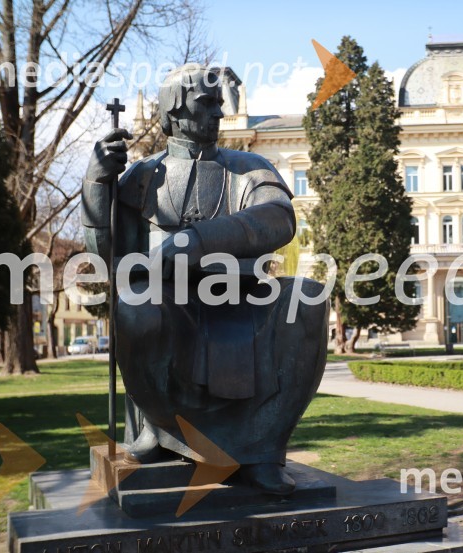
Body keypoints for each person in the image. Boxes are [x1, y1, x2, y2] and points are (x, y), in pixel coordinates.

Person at [81, 64, 328, 494]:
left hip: (243, 298)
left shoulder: (247, 166)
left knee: (306, 297)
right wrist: (96, 182)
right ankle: (160, 432)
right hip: (170, 305)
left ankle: (262, 450)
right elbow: (109, 256)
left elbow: (279, 217)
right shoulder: (142, 176)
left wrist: (196, 241)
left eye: (220, 103)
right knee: (136, 306)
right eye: (207, 103)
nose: (218, 113)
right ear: (174, 112)